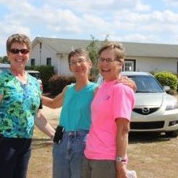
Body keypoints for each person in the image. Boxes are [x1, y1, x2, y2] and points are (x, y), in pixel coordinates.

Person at [42, 48, 136, 178]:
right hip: (62, 140)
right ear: (69, 67)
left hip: (83, 142)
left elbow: (115, 91)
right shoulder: (68, 89)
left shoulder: (97, 90)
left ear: (90, 64)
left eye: (81, 61)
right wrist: (32, 94)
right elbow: (52, 104)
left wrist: (129, 84)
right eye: (73, 62)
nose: (77, 65)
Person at [0, 33, 55, 178]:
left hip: (25, 143)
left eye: (24, 51)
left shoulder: (34, 83)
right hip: (4, 143)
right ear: (8, 54)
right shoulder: (0, 81)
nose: (19, 54)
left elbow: (36, 115)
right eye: (15, 51)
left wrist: (54, 134)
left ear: (29, 53)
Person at [82, 42, 136, 178]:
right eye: (101, 59)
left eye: (109, 60)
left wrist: (121, 163)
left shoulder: (121, 90)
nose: (104, 64)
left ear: (120, 63)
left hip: (107, 159)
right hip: (89, 154)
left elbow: (123, 130)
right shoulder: (101, 88)